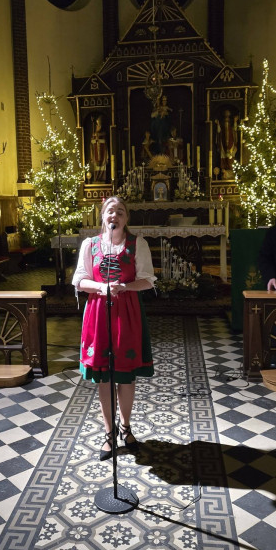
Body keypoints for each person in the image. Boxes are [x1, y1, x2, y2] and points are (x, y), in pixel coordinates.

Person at [72, 196, 155, 460]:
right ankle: (109, 433)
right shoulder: (91, 244)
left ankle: (126, 428)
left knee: (125, 374)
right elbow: (79, 279)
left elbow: (148, 280)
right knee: (104, 376)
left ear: (126, 218)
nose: (114, 216)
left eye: (120, 212)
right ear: (102, 216)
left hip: (127, 312)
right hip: (98, 312)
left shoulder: (137, 244)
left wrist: (125, 287)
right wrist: (102, 287)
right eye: (110, 211)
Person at [90, 115, 108, 182]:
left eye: (99, 126)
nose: (98, 127)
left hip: (102, 154)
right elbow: (92, 144)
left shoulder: (103, 134)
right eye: (97, 126)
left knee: (102, 167)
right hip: (96, 154)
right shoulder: (93, 134)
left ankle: (102, 179)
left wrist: (98, 139)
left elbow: (104, 143)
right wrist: (95, 140)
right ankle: (97, 178)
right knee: (96, 167)